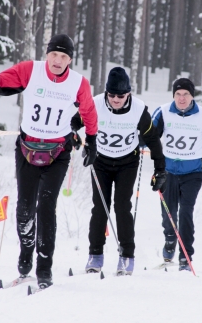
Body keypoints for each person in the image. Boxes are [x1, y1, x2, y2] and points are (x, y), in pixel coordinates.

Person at [0, 34, 97, 289]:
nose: (58, 60)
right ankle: (25, 259)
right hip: (27, 149)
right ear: (47, 54)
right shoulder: (29, 70)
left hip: (58, 151)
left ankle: (44, 269)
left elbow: (88, 111)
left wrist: (92, 140)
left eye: (64, 56)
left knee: (46, 207)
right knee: (24, 208)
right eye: (54, 55)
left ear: (70, 60)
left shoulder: (78, 83)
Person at [71, 66, 166, 276]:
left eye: (120, 96)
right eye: (112, 95)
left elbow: (152, 140)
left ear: (128, 94)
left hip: (127, 163)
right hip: (101, 161)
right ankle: (95, 255)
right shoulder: (95, 103)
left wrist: (160, 170)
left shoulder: (139, 109)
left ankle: (127, 257)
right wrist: (73, 135)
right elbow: (74, 122)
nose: (115, 99)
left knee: (122, 207)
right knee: (100, 207)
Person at [152, 77, 202, 271]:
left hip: (192, 172)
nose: (182, 98)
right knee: (168, 211)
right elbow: (150, 136)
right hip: (168, 172)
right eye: (178, 94)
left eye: (186, 94)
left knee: (186, 211)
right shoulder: (163, 111)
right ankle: (170, 239)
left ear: (192, 96)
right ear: (173, 95)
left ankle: (185, 256)